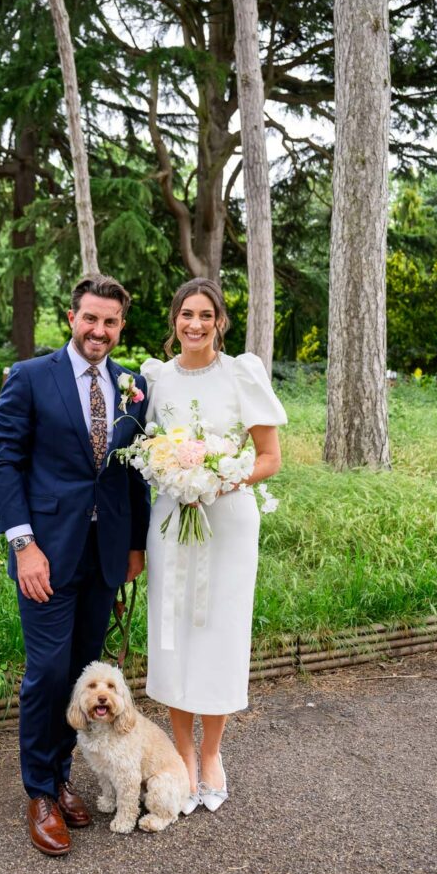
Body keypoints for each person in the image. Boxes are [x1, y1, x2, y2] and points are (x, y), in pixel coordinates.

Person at [0, 274, 150, 856]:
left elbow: (133, 471)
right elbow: (4, 463)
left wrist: (135, 546)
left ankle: (61, 777)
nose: (99, 331)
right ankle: (39, 791)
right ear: (72, 317)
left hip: (105, 559)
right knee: (49, 674)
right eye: (90, 319)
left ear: (120, 326)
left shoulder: (133, 386)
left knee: (85, 676)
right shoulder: (31, 377)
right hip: (46, 557)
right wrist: (23, 544)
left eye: (110, 322)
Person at [140, 278, 287, 814]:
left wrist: (216, 480)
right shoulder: (156, 380)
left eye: (206, 315)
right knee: (174, 631)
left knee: (220, 634)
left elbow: (268, 457)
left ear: (220, 321)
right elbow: (148, 450)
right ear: (174, 319)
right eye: (186, 314)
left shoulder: (240, 373)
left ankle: (212, 756)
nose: (195, 324)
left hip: (226, 522)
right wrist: (176, 477)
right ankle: (180, 754)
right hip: (170, 521)